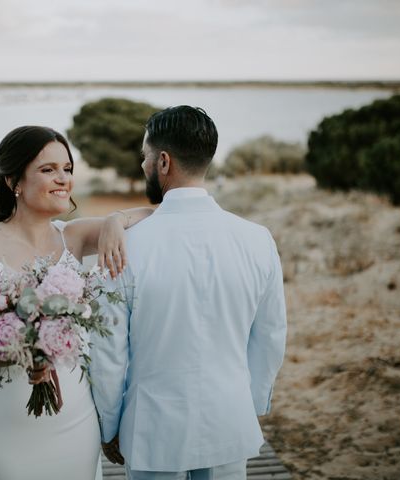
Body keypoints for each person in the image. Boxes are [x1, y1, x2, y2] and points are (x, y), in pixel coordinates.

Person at [0, 125, 153, 480]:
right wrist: (15, 350)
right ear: (13, 181)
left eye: (67, 169)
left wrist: (115, 219)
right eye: (48, 170)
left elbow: (157, 214)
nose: (63, 179)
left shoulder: (74, 238)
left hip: (72, 421)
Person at [90, 106, 287, 480]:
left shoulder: (125, 247)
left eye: (146, 157)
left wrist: (109, 424)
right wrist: (252, 402)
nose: (142, 165)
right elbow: (271, 335)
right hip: (230, 419)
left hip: (152, 430)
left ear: (164, 162)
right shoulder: (257, 239)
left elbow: (109, 352)